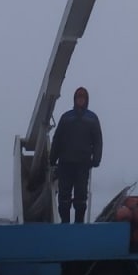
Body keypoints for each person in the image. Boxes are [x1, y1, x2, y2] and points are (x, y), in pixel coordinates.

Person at [49, 86, 102, 224]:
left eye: (83, 97)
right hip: (65, 164)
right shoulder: (66, 118)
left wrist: (96, 159)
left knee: (81, 197)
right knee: (64, 197)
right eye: (78, 97)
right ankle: (65, 223)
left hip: (83, 164)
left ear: (86, 100)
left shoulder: (92, 118)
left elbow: (98, 140)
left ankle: (79, 224)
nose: (80, 100)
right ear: (74, 99)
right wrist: (52, 159)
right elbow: (57, 139)